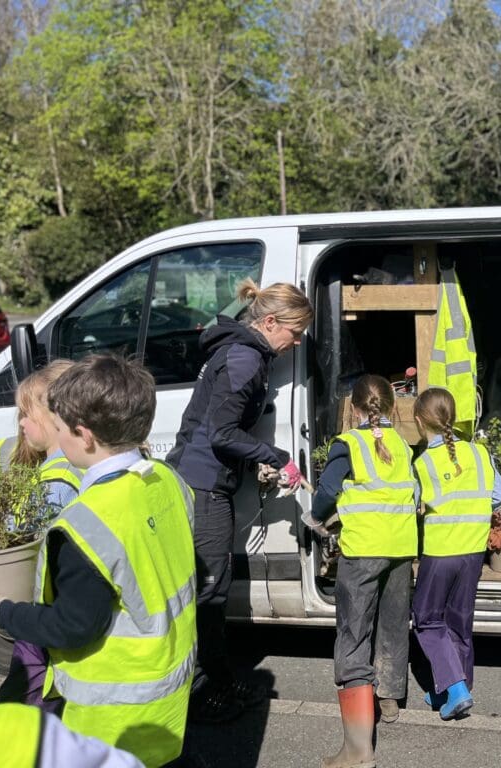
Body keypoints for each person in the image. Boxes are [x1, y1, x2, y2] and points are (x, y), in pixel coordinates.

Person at [0, 354, 195, 768]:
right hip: (168, 703)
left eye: (58, 427)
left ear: (83, 436)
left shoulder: (85, 524)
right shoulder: (167, 482)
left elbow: (73, 627)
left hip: (113, 719)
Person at [166, 278, 313, 723]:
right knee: (211, 591)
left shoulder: (246, 353)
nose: (297, 341)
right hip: (202, 485)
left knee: (209, 587)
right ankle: (205, 692)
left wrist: (255, 464)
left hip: (206, 477)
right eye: (294, 332)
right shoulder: (245, 359)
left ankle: (216, 680)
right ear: (270, 322)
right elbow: (221, 433)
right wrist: (277, 456)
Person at [307, 374, 418, 768]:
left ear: (353, 409)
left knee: (354, 636)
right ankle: (388, 698)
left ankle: (357, 750)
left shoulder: (348, 444)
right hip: (401, 548)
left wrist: (315, 518)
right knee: (392, 624)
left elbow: (327, 493)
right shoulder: (403, 447)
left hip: (363, 551)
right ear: (390, 408)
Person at [0, 360, 85, 710]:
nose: (20, 423)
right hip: (59, 611)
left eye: (26, 414)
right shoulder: (76, 465)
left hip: (45, 613)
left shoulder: (56, 478)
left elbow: (27, 540)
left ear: (53, 417)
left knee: (20, 708)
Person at [411, 388, 501, 720]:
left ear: (421, 421)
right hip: (473, 551)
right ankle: (451, 692)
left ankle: (456, 688)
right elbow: (499, 495)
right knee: (459, 622)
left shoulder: (423, 462)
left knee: (426, 619)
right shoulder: (480, 453)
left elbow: (412, 504)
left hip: (441, 551)